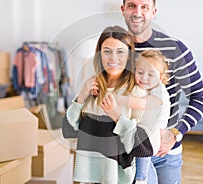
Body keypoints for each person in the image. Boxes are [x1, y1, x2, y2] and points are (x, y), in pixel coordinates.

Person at [121, 0, 203, 183]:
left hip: (164, 154)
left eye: (144, 7)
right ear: (123, 9)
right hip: (126, 153)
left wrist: (175, 133)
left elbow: (200, 97)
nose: (137, 12)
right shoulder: (116, 50)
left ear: (154, 12)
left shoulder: (175, 49)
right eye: (132, 6)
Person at [62, 25, 159, 184]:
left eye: (120, 52)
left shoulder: (136, 93)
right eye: (107, 51)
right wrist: (81, 97)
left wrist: (116, 116)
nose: (113, 58)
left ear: (129, 55)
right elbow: (68, 131)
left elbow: (144, 148)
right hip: (89, 180)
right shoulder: (90, 87)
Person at [103, 49, 171, 184]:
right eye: (140, 72)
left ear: (161, 76)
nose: (144, 78)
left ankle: (141, 178)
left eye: (151, 74)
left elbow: (142, 104)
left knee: (143, 150)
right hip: (144, 128)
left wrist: (119, 99)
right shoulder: (145, 87)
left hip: (155, 131)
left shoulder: (160, 91)